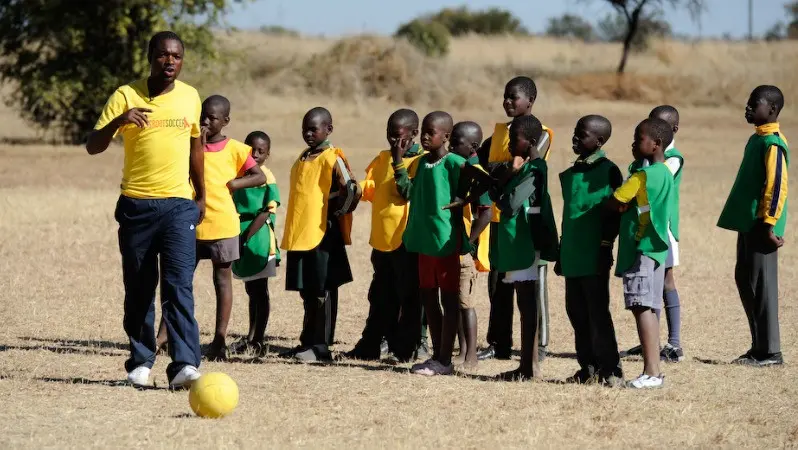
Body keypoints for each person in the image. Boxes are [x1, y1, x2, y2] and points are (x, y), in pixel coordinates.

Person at [85, 31, 204, 388]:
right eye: (164, 55)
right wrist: (119, 120)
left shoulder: (190, 97)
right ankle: (140, 363)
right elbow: (93, 145)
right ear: (150, 56)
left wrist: (202, 195)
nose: (170, 62)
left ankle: (184, 365)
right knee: (139, 287)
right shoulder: (125, 95)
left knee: (178, 286)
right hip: (136, 205)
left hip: (179, 206)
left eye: (177, 56)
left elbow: (195, 147)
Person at [393, 111, 489, 376]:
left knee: (449, 301)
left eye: (430, 132)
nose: (424, 136)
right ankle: (437, 355)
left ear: (446, 136)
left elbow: (484, 184)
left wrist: (464, 200)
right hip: (425, 243)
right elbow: (408, 192)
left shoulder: (454, 162)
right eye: (423, 130)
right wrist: (398, 162)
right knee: (428, 298)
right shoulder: (422, 163)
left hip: (446, 242)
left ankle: (445, 359)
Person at [476, 76, 555, 362]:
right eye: (505, 96)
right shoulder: (499, 133)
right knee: (498, 285)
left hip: (524, 220)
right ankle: (499, 342)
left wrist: (501, 169)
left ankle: (539, 343)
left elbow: (526, 165)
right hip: (498, 217)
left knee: (532, 284)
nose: (507, 102)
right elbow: (488, 167)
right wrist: (502, 168)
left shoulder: (541, 132)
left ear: (530, 102)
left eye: (514, 97)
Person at [280, 107, 361, 362]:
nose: (308, 133)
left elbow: (352, 188)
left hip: (322, 234)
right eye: (305, 128)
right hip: (300, 234)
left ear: (328, 129)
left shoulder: (332, 156)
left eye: (313, 128)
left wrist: (338, 212)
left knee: (323, 290)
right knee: (307, 290)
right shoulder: (304, 156)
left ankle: (321, 347)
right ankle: (307, 341)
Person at [345, 109, 425, 362]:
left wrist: (399, 160)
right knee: (380, 294)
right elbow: (369, 190)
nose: (393, 141)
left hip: (406, 241)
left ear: (414, 134)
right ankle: (374, 342)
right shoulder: (381, 159)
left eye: (399, 136)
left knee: (409, 295)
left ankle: (409, 346)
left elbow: (407, 193)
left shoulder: (421, 162)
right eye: (390, 135)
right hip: (381, 241)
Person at [718, 85, 789, 367]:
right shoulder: (756, 139)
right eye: (747, 103)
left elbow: (777, 184)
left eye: (754, 104)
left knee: (763, 286)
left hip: (762, 226)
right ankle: (758, 347)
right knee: (746, 280)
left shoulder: (773, 142)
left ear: (771, 109)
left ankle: (771, 352)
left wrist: (769, 224)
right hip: (748, 223)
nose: (747, 108)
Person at [194, 95, 266, 360]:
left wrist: (235, 184)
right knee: (178, 280)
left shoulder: (235, 148)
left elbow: (257, 176)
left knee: (222, 281)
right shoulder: (191, 143)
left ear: (225, 121)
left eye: (212, 118)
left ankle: (219, 340)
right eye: (203, 115)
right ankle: (165, 335)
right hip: (191, 221)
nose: (205, 121)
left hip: (223, 224)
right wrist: (196, 147)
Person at [606, 117, 675, 389]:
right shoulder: (665, 173)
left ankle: (652, 372)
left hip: (641, 247)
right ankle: (653, 370)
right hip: (656, 249)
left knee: (641, 306)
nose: (634, 144)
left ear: (655, 144)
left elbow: (615, 201)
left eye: (639, 139)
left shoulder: (642, 176)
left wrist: (615, 204)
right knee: (650, 305)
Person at [489, 114, 558, 381]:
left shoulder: (535, 169)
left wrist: (504, 185)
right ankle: (526, 366)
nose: (508, 144)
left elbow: (508, 203)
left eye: (514, 139)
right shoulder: (525, 168)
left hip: (524, 242)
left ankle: (529, 367)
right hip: (516, 241)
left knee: (527, 306)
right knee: (524, 304)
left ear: (530, 141)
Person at [556, 115, 624, 386]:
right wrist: (562, 252)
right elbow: (569, 216)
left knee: (598, 313)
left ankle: (611, 369)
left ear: (599, 141)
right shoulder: (574, 171)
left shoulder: (608, 171)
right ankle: (589, 367)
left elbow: (615, 214)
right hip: (572, 252)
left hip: (594, 252)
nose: (575, 138)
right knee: (576, 311)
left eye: (581, 134)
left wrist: (606, 246)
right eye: (574, 132)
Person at [623, 105, 686, 363]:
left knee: (665, 282)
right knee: (650, 285)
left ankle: (674, 343)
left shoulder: (673, 159)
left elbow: (653, 181)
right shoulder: (644, 159)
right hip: (644, 228)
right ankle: (651, 342)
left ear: (671, 132)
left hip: (663, 230)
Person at [230, 131, 281, 357]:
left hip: (259, 238)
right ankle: (251, 337)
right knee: (252, 289)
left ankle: (257, 339)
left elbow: (268, 211)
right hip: (241, 235)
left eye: (262, 151)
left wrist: (246, 236)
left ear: (268, 154)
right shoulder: (240, 174)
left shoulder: (266, 177)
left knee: (260, 290)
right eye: (252, 150)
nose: (256, 155)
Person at [447, 121, 492, 369]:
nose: (451, 146)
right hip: (453, 245)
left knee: (466, 302)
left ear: (473, 146)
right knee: (455, 299)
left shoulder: (476, 172)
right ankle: (462, 351)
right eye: (450, 141)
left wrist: (468, 242)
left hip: (466, 247)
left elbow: (485, 213)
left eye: (456, 143)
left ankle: (471, 354)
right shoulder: (458, 165)